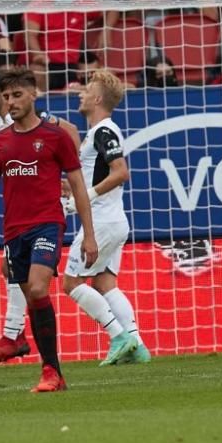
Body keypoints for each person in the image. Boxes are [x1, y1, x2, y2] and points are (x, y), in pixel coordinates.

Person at [0, 68, 99, 392]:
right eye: (6, 97)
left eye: (16, 95)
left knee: (39, 289)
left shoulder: (56, 137)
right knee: (32, 297)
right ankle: (53, 372)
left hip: (47, 223)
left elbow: (78, 186)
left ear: (34, 95)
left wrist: (88, 234)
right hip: (13, 229)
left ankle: (49, 370)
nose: (10, 102)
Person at [0, 70, 82, 363]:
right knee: (8, 269)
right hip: (18, 219)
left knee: (35, 284)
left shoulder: (31, 117)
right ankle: (16, 335)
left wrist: (67, 170)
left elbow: (71, 132)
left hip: (45, 213)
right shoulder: (1, 127)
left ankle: (14, 335)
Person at [62, 70, 150, 365]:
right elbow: (93, 178)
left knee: (71, 284)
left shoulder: (104, 131)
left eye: (87, 90)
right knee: (104, 283)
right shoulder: (96, 133)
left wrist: (83, 199)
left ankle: (119, 337)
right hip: (113, 220)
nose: (81, 94)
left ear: (98, 98)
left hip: (101, 222)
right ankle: (136, 345)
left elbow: (121, 172)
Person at [25, 0, 104, 92]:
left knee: (101, 77)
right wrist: (38, 54)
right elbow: (30, 35)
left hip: (73, 65)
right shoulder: (38, 5)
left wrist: (106, 31)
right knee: (36, 72)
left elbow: (110, 9)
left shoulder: (82, 4)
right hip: (46, 64)